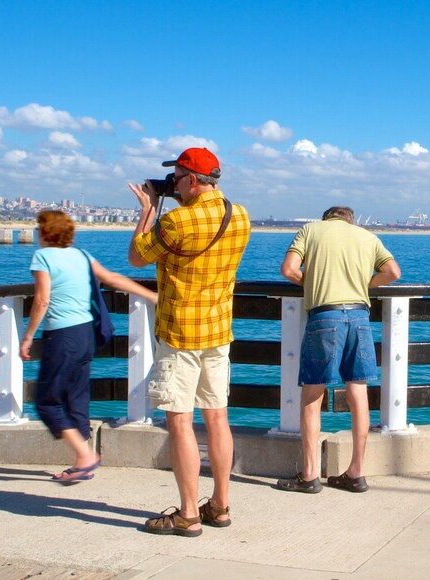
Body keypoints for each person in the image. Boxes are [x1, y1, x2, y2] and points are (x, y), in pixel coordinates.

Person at [127, 147, 250, 537]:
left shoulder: (177, 221)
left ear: (193, 181)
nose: (173, 184)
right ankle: (220, 505)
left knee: (180, 423)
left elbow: (136, 257)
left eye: (177, 178)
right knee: (217, 418)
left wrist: (149, 208)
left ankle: (187, 515)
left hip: (180, 333)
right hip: (218, 331)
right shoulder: (241, 216)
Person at [20, 210, 157, 484]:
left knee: (47, 401)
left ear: (44, 232)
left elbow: (42, 300)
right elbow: (114, 279)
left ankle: (85, 456)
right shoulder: (82, 255)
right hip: (86, 335)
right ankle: (81, 462)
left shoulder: (43, 257)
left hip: (62, 335)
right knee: (76, 395)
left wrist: (28, 336)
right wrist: (154, 296)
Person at [277, 206, 401, 494]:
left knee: (312, 394)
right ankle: (356, 472)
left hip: (325, 315)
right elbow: (393, 272)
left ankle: (309, 475)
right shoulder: (367, 236)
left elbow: (288, 270)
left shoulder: (310, 230)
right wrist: (362, 284)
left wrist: (313, 282)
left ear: (326, 219)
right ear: (350, 221)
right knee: (358, 392)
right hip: (359, 317)